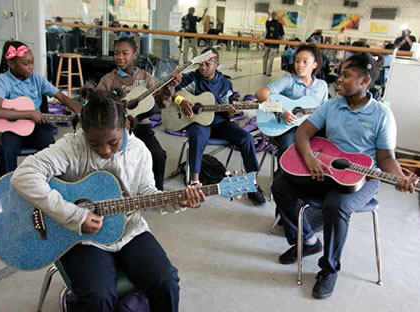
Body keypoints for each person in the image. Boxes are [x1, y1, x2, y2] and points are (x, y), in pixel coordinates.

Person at [10, 88, 205, 312]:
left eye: (113, 142)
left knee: (166, 281)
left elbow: (147, 194)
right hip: (81, 238)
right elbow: (23, 175)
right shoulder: (72, 146)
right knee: (98, 297)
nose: (104, 151)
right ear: (83, 130)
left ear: (125, 125)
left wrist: (178, 201)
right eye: (94, 144)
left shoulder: (139, 151)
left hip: (130, 231)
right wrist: (73, 215)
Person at [271, 53, 419, 299]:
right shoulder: (332, 105)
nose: (339, 80)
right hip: (327, 171)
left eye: (346, 75)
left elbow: (385, 159)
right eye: (339, 74)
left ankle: (329, 269)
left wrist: (399, 178)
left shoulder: (381, 115)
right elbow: (303, 133)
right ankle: (308, 241)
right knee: (280, 185)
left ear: (365, 81)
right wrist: (310, 159)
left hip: (362, 181)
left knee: (335, 204)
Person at [174, 48, 266, 205]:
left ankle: (252, 183)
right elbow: (172, 93)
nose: (202, 68)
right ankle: (194, 184)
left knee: (246, 138)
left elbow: (227, 111)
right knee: (197, 136)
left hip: (219, 123)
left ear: (217, 64)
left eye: (207, 64)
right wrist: (181, 101)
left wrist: (230, 111)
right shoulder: (192, 79)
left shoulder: (225, 84)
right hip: (197, 122)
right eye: (200, 64)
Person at [96, 37, 180, 191]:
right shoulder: (108, 80)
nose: (119, 57)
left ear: (135, 55)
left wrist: (169, 87)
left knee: (159, 155)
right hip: (116, 130)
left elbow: (161, 102)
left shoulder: (145, 78)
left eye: (125, 53)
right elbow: (96, 103)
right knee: (115, 159)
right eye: (116, 53)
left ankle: (157, 193)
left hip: (142, 127)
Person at [0, 41, 80, 176]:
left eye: (32, 62)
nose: (31, 67)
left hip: (37, 126)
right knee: (5, 149)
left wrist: (80, 112)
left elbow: (61, 96)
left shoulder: (37, 79)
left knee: (50, 145)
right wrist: (29, 113)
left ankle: (55, 183)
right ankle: (7, 189)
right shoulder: (0, 81)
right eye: (26, 64)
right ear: (11, 63)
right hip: (11, 130)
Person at [256, 44, 328, 160]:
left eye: (305, 62)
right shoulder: (288, 81)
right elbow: (260, 94)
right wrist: (280, 112)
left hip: (312, 127)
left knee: (328, 147)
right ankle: (283, 175)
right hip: (289, 127)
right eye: (297, 61)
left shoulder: (322, 85)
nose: (300, 65)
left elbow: (324, 110)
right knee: (287, 149)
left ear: (315, 65)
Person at [262, 11, 284, 76]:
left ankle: (264, 71)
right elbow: (282, 34)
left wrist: (268, 16)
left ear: (271, 16)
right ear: (276, 16)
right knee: (271, 58)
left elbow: (266, 26)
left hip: (267, 42)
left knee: (265, 56)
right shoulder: (279, 25)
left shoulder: (268, 23)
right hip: (275, 43)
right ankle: (269, 72)